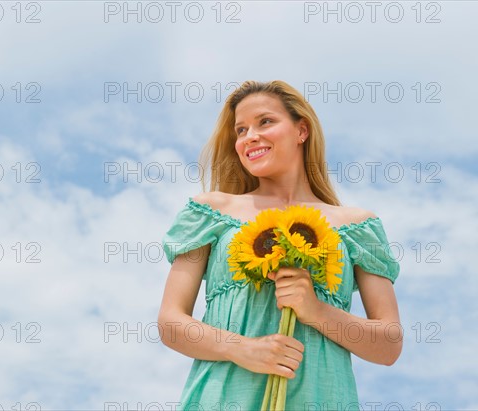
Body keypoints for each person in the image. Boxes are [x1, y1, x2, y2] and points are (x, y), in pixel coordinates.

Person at [158, 80, 401, 410]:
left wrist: (315, 310)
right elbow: (171, 323)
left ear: (302, 130)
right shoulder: (211, 211)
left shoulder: (357, 226)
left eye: (265, 122)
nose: (249, 137)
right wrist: (242, 348)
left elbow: (388, 344)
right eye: (241, 130)